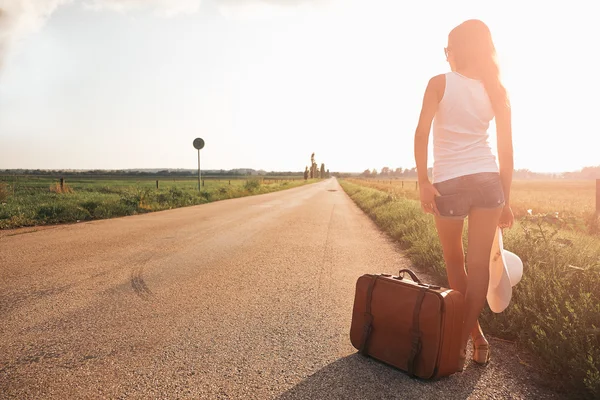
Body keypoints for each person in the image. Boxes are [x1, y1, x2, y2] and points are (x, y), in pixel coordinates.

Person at [413, 19, 514, 370]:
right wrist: (507, 198)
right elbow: (506, 151)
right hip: (489, 183)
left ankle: (461, 342)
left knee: (456, 263)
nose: (446, 57)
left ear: (456, 50)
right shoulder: (496, 91)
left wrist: (424, 181)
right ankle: (474, 340)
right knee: (478, 266)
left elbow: (421, 133)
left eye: (447, 50)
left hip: (450, 183)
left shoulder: (439, 84)